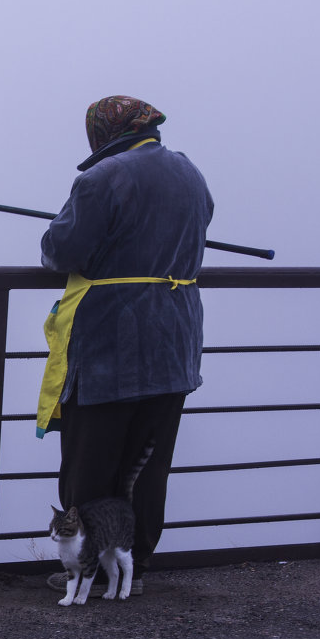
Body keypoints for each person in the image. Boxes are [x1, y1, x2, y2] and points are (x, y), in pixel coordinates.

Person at [36, 96, 214, 596]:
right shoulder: (190, 174)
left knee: (90, 465)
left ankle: (85, 572)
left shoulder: (99, 178)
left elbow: (61, 251)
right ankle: (137, 562)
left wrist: (52, 233)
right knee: (148, 463)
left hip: (110, 342)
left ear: (103, 132)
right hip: (175, 339)